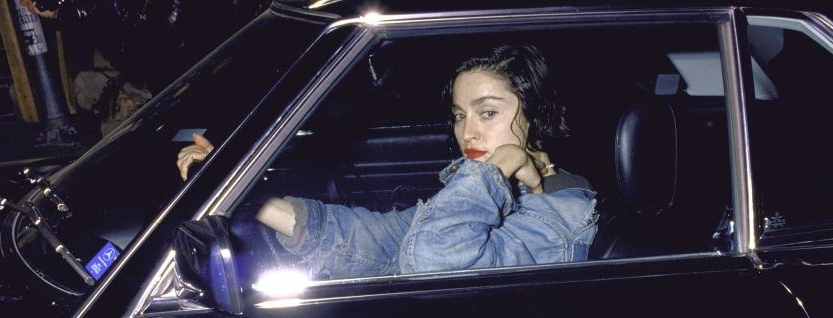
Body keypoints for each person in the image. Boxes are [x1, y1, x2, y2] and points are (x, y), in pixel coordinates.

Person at [177, 44, 598, 278]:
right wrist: (239, 189)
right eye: (458, 115)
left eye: (488, 113)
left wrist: (498, 162)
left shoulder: (562, 210)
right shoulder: (494, 189)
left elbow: (433, 265)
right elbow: (377, 239)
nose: (466, 132)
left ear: (535, 113)